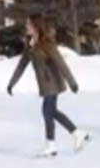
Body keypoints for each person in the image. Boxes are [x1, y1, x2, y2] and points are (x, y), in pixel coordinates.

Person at [6, 13, 91, 157]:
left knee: (48, 111)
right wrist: (11, 83)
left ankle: (61, 140)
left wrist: (72, 83)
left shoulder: (47, 44)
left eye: (29, 25)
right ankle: (71, 136)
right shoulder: (31, 45)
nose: (26, 27)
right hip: (45, 84)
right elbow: (21, 65)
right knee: (51, 112)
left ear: (36, 27)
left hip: (53, 82)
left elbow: (61, 63)